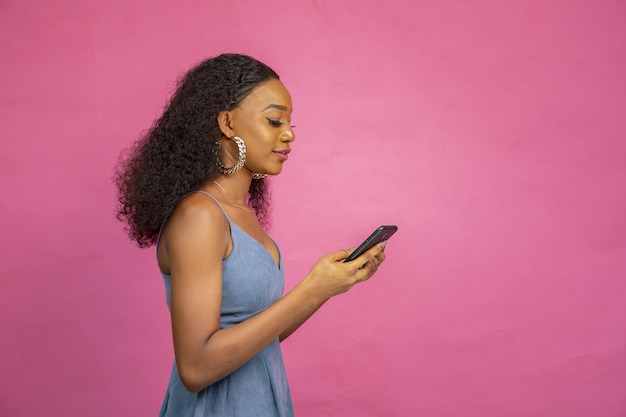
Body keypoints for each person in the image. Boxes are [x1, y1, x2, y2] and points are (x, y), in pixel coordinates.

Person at [114, 53, 387, 417]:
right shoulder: (200, 216)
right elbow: (196, 368)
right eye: (274, 121)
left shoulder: (242, 214)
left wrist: (329, 286)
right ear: (227, 122)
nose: (289, 134)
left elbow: (259, 339)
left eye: (290, 123)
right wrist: (311, 288)